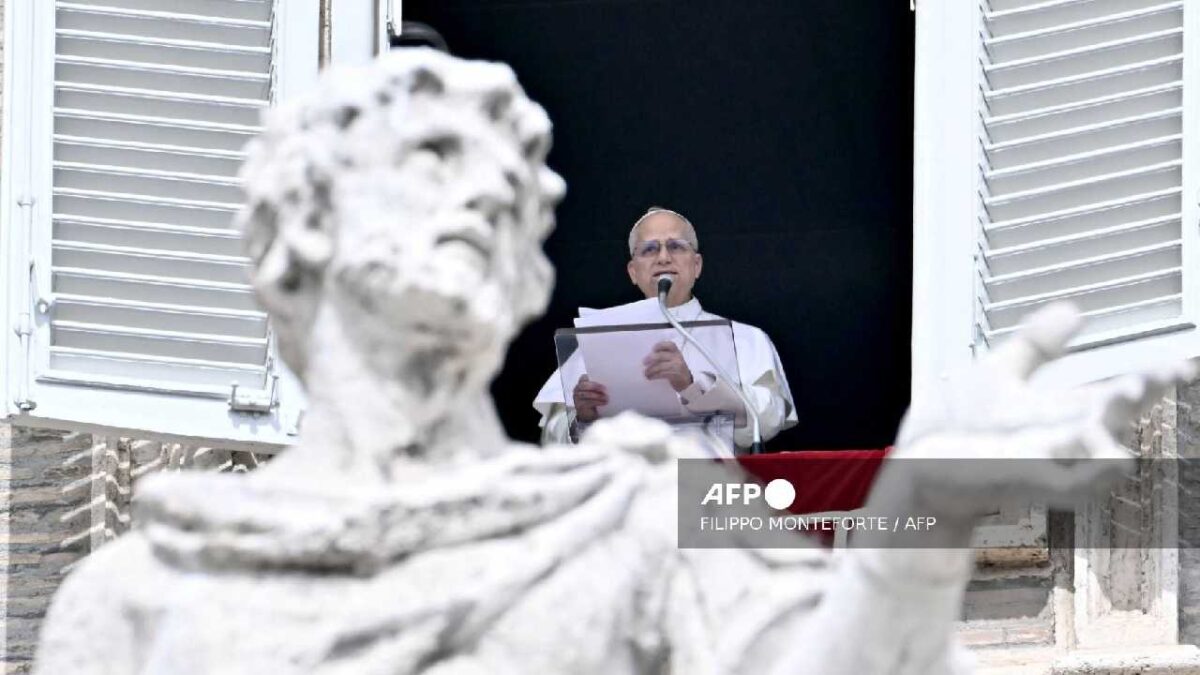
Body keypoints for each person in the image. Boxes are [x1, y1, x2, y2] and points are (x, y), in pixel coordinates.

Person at [34, 48, 1193, 675]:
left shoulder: (640, 516)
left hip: (712, 493)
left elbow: (818, 619)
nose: (485, 191)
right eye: (432, 158)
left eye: (511, 188)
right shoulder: (135, 597)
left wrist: (919, 524)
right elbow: (556, 421)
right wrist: (584, 399)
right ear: (297, 230)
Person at [535, 207, 797, 451]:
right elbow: (551, 440)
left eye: (675, 246)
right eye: (649, 249)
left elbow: (767, 421)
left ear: (697, 265)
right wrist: (583, 419)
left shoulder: (744, 339)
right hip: (629, 482)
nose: (663, 257)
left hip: (709, 482)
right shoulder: (596, 342)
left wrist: (695, 386)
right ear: (633, 272)